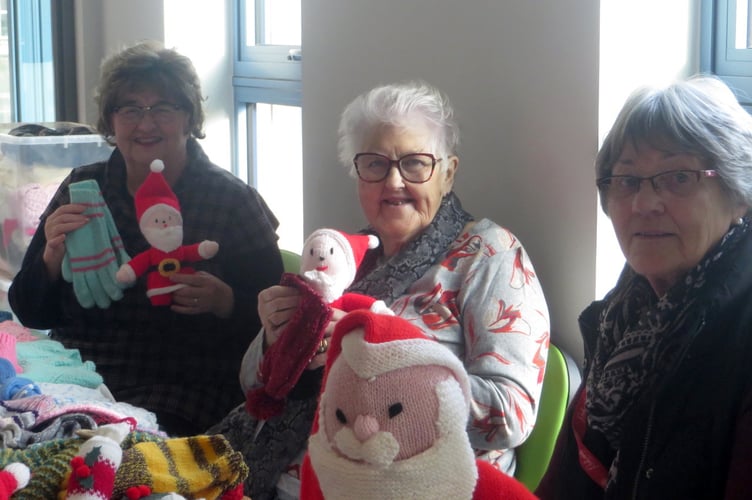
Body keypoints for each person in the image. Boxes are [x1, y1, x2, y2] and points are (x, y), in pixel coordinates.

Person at [209, 80, 550, 499]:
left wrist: (384, 356)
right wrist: (276, 339)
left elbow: (508, 415)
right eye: (375, 164)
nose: (393, 182)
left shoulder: (488, 254)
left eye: (414, 163)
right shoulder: (344, 257)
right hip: (288, 474)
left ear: (448, 172)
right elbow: (252, 386)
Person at [8, 40, 283, 437]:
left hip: (182, 383)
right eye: (130, 109)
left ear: (189, 118)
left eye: (163, 109)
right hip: (77, 371)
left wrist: (226, 303)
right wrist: (51, 257)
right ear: (111, 120)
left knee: (116, 455)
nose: (146, 124)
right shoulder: (84, 187)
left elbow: (277, 331)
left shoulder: (231, 200)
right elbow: (30, 311)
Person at [536, 75, 752, 499]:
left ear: (738, 194)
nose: (644, 204)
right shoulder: (623, 318)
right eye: (628, 180)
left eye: (679, 178)